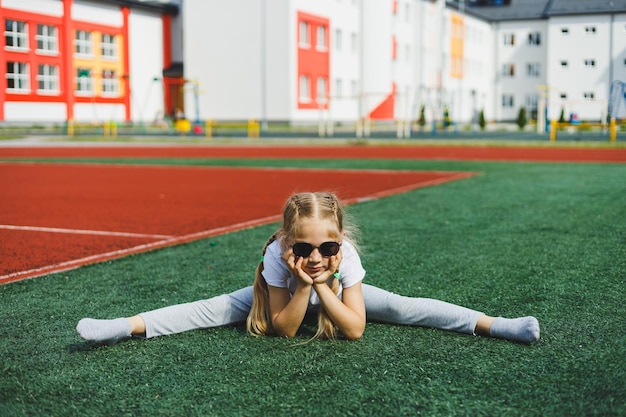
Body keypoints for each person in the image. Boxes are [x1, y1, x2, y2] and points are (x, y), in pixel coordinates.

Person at [77, 192, 540, 345]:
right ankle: (122, 326)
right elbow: (284, 330)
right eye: (304, 246)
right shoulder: (279, 259)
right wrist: (302, 284)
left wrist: (326, 286)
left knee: (403, 307)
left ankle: (498, 325)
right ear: (286, 240)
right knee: (211, 309)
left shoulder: (344, 256)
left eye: (326, 246)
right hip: (290, 293)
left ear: (339, 241)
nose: (316, 255)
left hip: (335, 294)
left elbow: (355, 329)